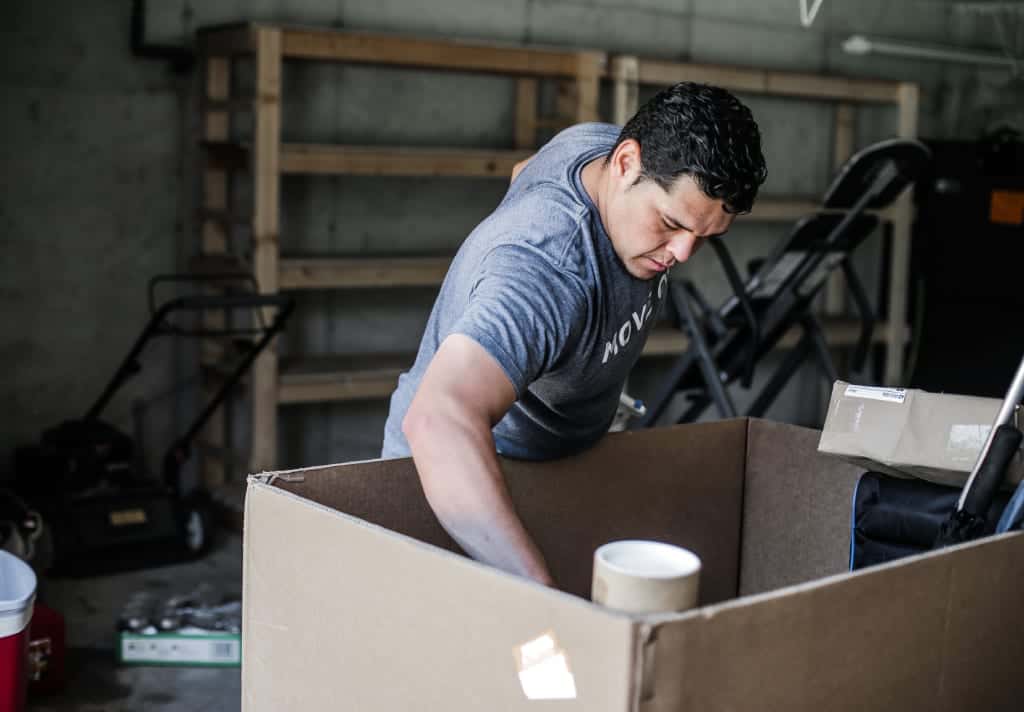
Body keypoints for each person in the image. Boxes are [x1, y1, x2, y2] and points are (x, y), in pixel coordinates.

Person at [381, 82, 767, 585]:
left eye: (706, 237)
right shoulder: (546, 273)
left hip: (554, 463)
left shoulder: (594, 148)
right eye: (670, 223)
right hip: (465, 484)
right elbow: (438, 420)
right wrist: (536, 593)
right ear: (626, 163)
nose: (682, 254)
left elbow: (527, 172)